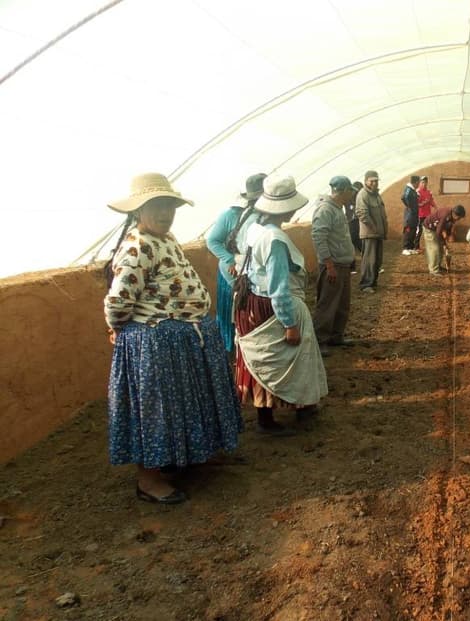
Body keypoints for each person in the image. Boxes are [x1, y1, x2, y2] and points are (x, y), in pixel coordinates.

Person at [104, 172, 243, 505]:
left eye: (170, 206)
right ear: (138, 211)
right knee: (157, 411)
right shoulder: (137, 246)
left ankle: (192, 458)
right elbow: (118, 301)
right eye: (157, 206)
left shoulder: (165, 239)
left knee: (187, 404)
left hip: (182, 339)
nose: (165, 213)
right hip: (156, 341)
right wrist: (119, 328)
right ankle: (148, 480)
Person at [234, 173, 328, 434]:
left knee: (267, 360)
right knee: (286, 358)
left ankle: (297, 407)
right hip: (270, 306)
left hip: (251, 300)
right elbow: (278, 287)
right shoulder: (274, 239)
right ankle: (274, 417)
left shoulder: (255, 227)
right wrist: (289, 323)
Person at [205, 172, 266, 353]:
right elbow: (213, 241)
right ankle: (229, 349)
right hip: (231, 272)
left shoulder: (264, 214)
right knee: (230, 312)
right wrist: (230, 259)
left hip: (250, 271)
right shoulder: (231, 214)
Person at [311, 176, 357, 355]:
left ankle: (337, 336)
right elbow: (318, 237)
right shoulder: (325, 210)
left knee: (342, 303)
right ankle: (320, 340)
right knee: (328, 304)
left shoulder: (337, 208)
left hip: (342, 264)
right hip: (333, 265)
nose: (352, 194)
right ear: (343, 191)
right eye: (350, 191)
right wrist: (328, 264)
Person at [355, 170, 388, 293]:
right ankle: (366, 285)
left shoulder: (376, 195)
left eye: (376, 181)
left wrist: (383, 230)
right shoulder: (363, 195)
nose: (374, 183)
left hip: (378, 233)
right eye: (372, 181)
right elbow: (361, 213)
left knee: (377, 260)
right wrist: (373, 227)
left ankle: (373, 282)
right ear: (366, 181)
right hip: (369, 233)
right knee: (369, 260)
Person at [422, 204, 465, 275]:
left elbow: (445, 229)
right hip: (429, 228)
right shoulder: (445, 215)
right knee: (434, 249)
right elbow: (438, 232)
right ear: (454, 214)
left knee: (440, 248)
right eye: (458, 217)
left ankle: (438, 266)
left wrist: (444, 244)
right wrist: (444, 243)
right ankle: (433, 270)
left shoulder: (451, 217)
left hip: (436, 229)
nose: (458, 219)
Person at [346, 180, 364, 274]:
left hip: (357, 222)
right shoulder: (348, 199)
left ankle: (371, 265)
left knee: (359, 243)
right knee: (352, 244)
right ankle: (352, 267)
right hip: (351, 223)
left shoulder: (360, 198)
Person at [401, 175, 421, 255]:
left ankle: (411, 248)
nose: (419, 184)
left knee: (413, 231)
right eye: (419, 182)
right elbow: (404, 197)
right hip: (410, 215)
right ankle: (405, 248)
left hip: (414, 215)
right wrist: (410, 207)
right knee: (408, 230)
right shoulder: (408, 189)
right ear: (416, 182)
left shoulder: (413, 191)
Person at [414, 175, 436, 250]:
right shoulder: (417, 192)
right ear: (420, 183)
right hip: (420, 215)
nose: (424, 184)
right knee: (419, 231)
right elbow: (415, 204)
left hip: (428, 215)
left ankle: (430, 246)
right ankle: (416, 247)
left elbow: (431, 201)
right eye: (422, 182)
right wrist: (422, 203)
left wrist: (436, 207)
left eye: (425, 183)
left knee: (430, 230)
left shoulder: (429, 192)